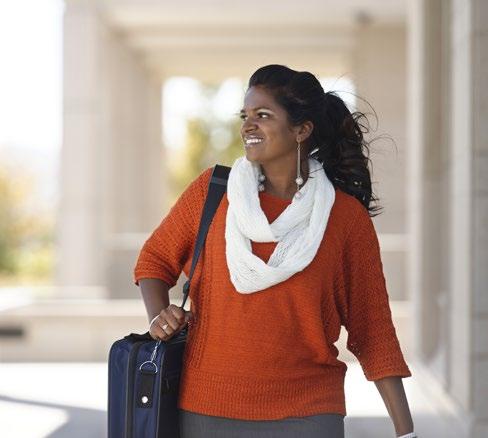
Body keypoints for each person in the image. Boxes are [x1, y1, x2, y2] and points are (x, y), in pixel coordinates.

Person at [133, 64, 417, 438]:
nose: (247, 126)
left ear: (302, 129)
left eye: (262, 115)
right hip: (207, 409)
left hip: (308, 414)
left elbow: (373, 329)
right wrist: (158, 317)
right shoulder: (213, 193)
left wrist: (405, 430)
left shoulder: (345, 218)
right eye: (245, 116)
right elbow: (154, 260)